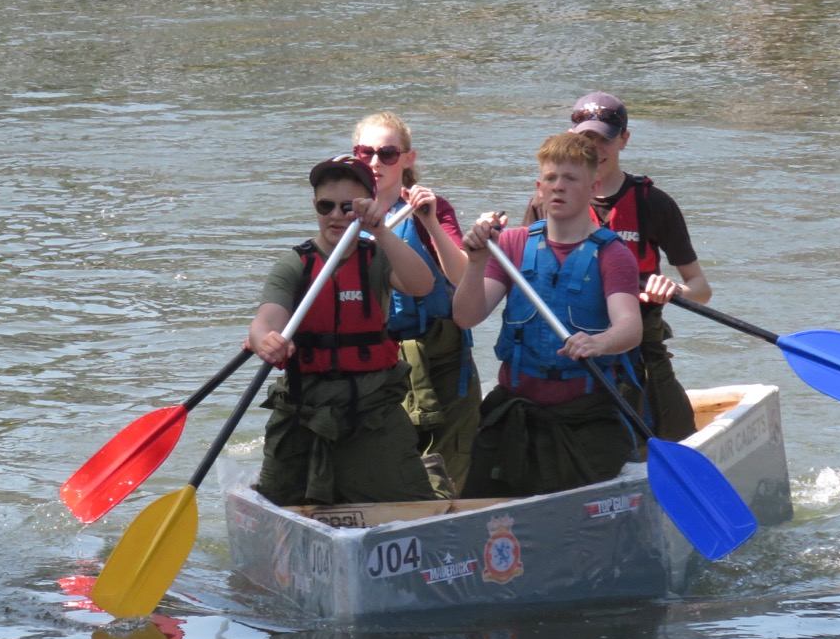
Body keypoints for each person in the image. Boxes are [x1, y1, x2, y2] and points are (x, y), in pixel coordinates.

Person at [453, 133, 643, 499]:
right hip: (515, 413)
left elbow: (630, 327)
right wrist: (475, 263)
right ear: (539, 189)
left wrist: (599, 342)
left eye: (570, 178)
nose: (558, 187)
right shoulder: (511, 244)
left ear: (593, 187)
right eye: (551, 178)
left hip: (584, 417)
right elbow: (466, 317)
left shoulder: (613, 254)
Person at [249, 154, 436, 507]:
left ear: (368, 206)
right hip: (305, 407)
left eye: (348, 207)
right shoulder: (294, 265)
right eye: (326, 206)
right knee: (278, 504)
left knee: (415, 506)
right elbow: (266, 320)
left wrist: (380, 229)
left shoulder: (379, 256)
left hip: (373, 411)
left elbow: (422, 284)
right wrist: (265, 340)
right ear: (314, 206)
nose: (336, 215)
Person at [524, 91, 712, 441]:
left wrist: (673, 289)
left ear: (624, 140)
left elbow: (701, 290)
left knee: (678, 435)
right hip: (571, 345)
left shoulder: (654, 203)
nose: (595, 149)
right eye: (586, 139)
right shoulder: (548, 201)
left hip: (640, 348)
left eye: (605, 139)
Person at [352, 111, 481, 497]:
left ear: (408, 159)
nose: (375, 162)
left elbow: (461, 276)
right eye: (365, 153)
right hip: (377, 361)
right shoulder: (343, 212)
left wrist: (430, 223)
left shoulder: (429, 208)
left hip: (440, 358)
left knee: (445, 474)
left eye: (387, 153)